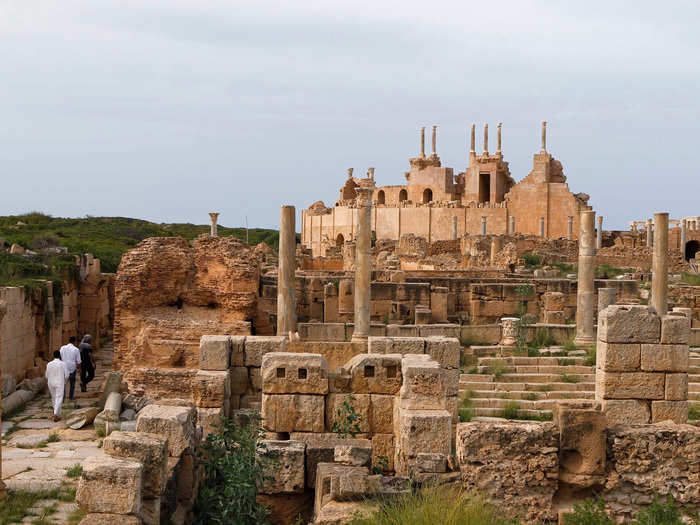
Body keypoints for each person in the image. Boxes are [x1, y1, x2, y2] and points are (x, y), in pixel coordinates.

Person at [45, 350, 69, 421]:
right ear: (60, 356)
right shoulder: (63, 364)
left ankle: (58, 414)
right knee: (59, 398)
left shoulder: (49, 364)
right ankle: (55, 413)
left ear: (53, 355)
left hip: (50, 383)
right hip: (59, 382)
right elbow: (67, 375)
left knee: (54, 397)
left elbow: (46, 375)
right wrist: (64, 382)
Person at [60, 336, 81, 401]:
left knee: (63, 383)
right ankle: (71, 397)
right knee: (72, 384)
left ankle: (62, 397)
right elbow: (79, 361)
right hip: (72, 368)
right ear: (74, 341)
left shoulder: (62, 348)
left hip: (63, 368)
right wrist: (79, 369)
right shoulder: (76, 349)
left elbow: (60, 356)